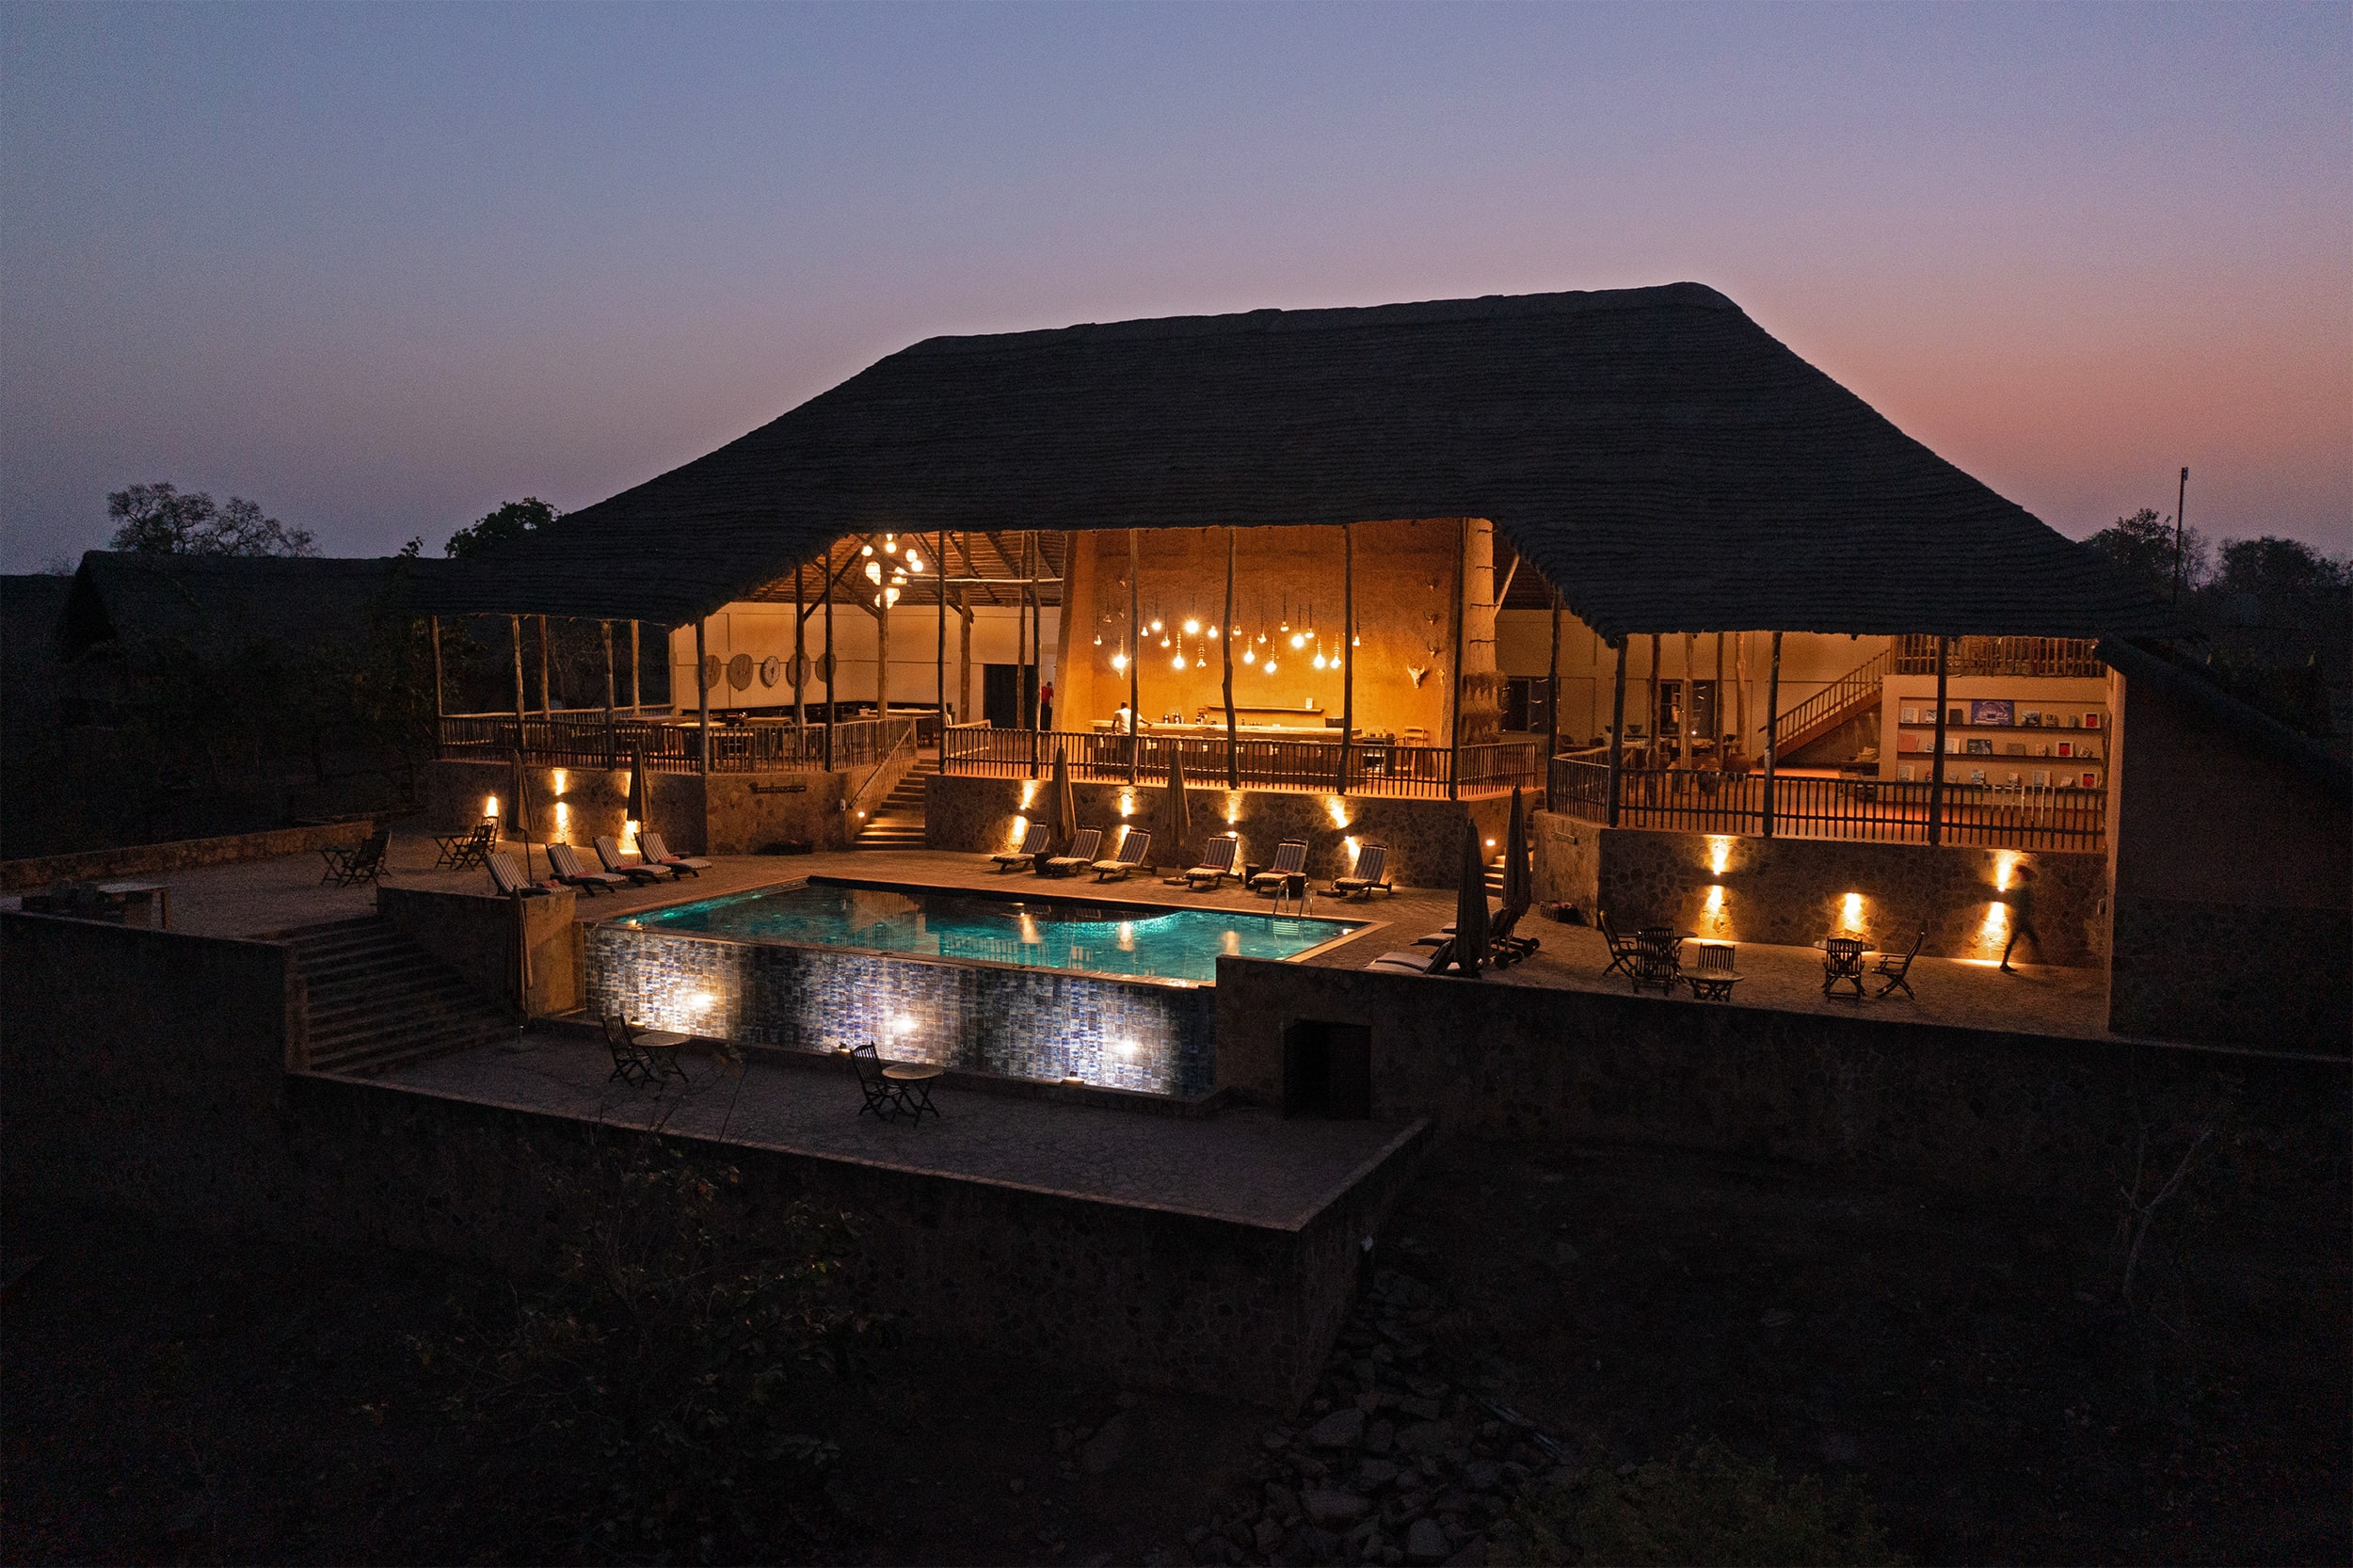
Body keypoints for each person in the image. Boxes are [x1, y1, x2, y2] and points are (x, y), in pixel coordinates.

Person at [2000, 862, 2041, 973]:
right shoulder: (2023, 888)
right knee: (2033, 940)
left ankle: (2004, 963)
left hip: (2021, 918)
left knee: (2024, 940)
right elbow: (2023, 904)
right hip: (2022, 919)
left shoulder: (2021, 887)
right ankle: (2043, 963)